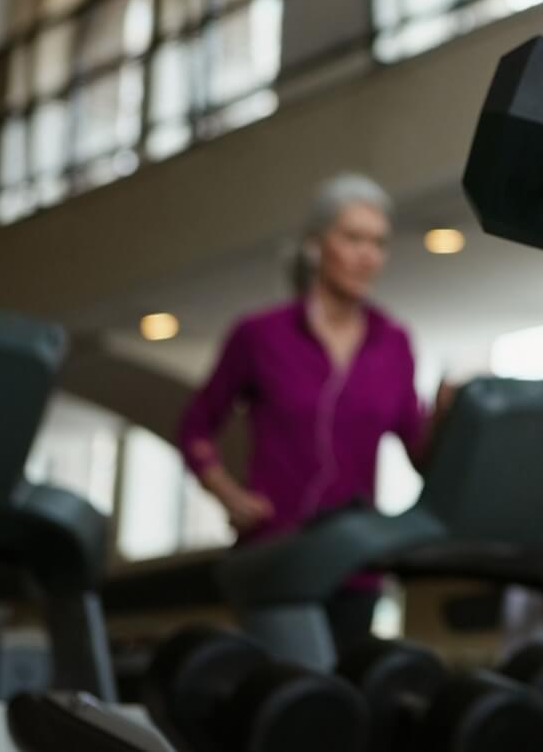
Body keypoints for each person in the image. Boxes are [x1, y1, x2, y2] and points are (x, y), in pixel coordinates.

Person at [177, 172, 451, 653]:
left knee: (350, 700)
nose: (368, 255)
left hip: (355, 562)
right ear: (314, 245)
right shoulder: (260, 335)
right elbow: (196, 428)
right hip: (276, 554)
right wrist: (227, 495)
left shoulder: (394, 342)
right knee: (307, 689)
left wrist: (450, 422)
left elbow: (418, 451)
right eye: (353, 238)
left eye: (379, 243)